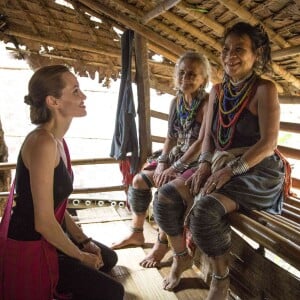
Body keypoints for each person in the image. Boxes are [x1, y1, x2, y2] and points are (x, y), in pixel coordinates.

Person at [154, 21, 286, 298]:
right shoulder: (217, 91)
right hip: (218, 165)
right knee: (165, 197)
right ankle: (181, 255)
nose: (229, 56)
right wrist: (203, 164)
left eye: (239, 49)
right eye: (226, 49)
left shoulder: (265, 89)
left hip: (256, 171)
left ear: (256, 55)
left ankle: (220, 277)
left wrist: (231, 170)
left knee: (204, 212)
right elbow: (210, 138)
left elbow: (268, 144)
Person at [7, 65, 124, 300]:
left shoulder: (58, 141)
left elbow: (56, 205)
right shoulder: (42, 143)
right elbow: (43, 222)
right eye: (76, 91)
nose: (84, 96)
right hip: (34, 242)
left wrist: (83, 240)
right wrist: (81, 256)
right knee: (113, 292)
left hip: (52, 230)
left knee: (107, 258)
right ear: (53, 101)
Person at [111, 51, 211, 268]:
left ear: (204, 78)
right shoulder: (176, 102)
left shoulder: (207, 103)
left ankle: (161, 245)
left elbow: (202, 141)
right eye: (182, 73)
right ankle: (137, 233)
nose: (186, 78)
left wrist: (175, 167)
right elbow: (171, 137)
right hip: (176, 157)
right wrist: (164, 162)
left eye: (192, 74)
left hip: (197, 161)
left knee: (166, 189)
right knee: (139, 181)